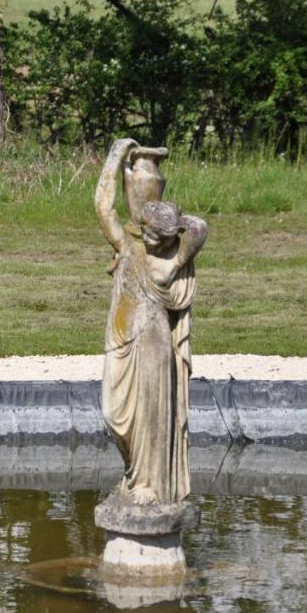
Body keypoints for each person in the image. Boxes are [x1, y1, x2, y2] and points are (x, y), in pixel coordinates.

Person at [95, 138, 208, 505]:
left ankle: (148, 484)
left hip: (154, 342)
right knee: (114, 414)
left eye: (154, 235)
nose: (144, 236)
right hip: (121, 338)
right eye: (144, 229)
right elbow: (103, 207)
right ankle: (133, 474)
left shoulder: (170, 262)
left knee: (152, 416)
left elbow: (198, 227)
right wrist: (114, 157)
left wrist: (174, 227)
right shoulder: (128, 247)